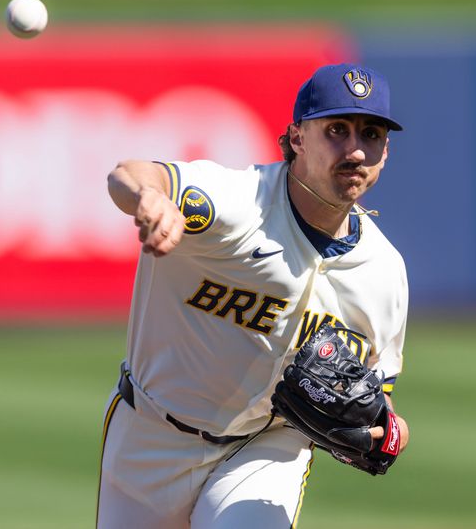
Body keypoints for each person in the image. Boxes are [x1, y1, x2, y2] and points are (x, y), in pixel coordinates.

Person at [98, 63, 410, 529]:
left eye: (371, 134)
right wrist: (150, 197)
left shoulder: (384, 273)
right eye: (337, 130)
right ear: (298, 137)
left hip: (265, 449)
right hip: (150, 436)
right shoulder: (238, 202)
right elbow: (128, 174)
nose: (355, 150)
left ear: (386, 150)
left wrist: (386, 432)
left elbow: (377, 401)